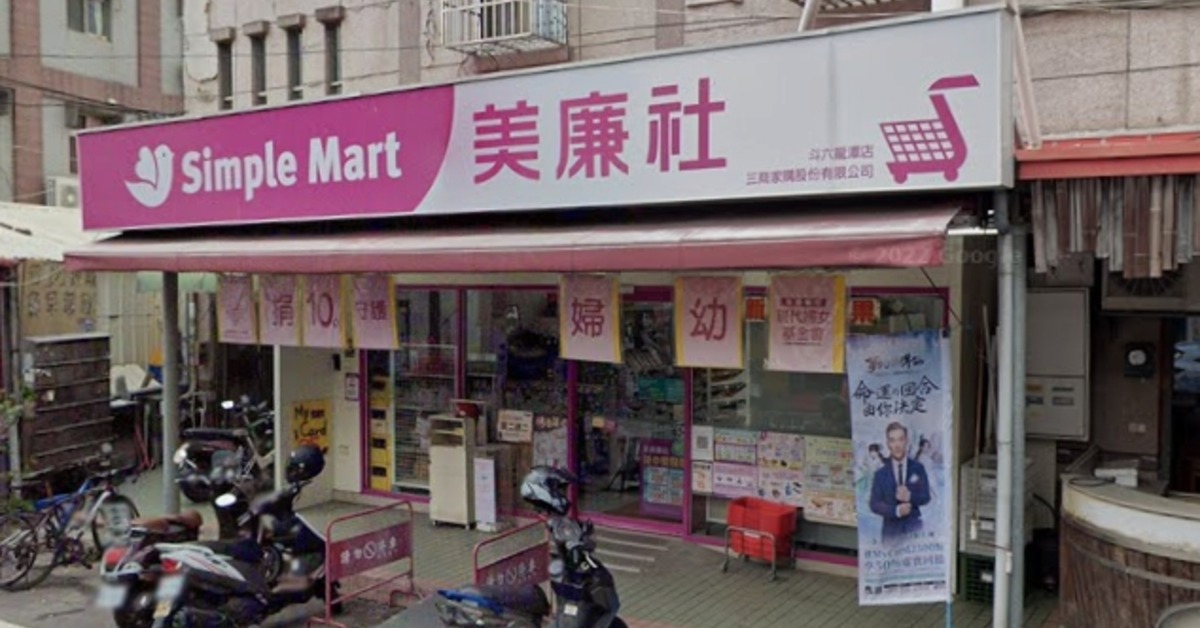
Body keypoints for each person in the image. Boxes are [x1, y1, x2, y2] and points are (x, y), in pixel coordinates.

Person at [869, 422, 931, 543]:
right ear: (888, 444)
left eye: (900, 439)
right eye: (892, 440)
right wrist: (896, 511)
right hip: (891, 533)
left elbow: (926, 496)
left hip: (915, 532)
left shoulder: (918, 468)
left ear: (906, 441)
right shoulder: (880, 474)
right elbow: (874, 504)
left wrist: (910, 497)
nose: (897, 445)